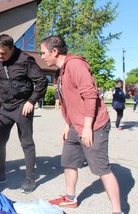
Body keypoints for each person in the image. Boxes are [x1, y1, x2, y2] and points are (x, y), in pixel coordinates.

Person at [40, 35, 123, 214]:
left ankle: (117, 211)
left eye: (43, 52)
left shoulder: (75, 65)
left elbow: (90, 95)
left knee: (102, 169)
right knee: (69, 162)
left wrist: (87, 127)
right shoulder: (61, 72)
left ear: (54, 51)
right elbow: (71, 102)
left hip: (94, 125)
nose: (42, 56)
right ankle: (70, 199)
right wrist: (67, 124)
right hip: (75, 125)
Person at [0, 34, 48, 193]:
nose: (0, 56)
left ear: (12, 49)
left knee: (26, 142)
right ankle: (0, 174)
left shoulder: (25, 60)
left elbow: (42, 81)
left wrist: (31, 101)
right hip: (5, 108)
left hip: (22, 106)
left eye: (3, 53)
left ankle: (30, 178)